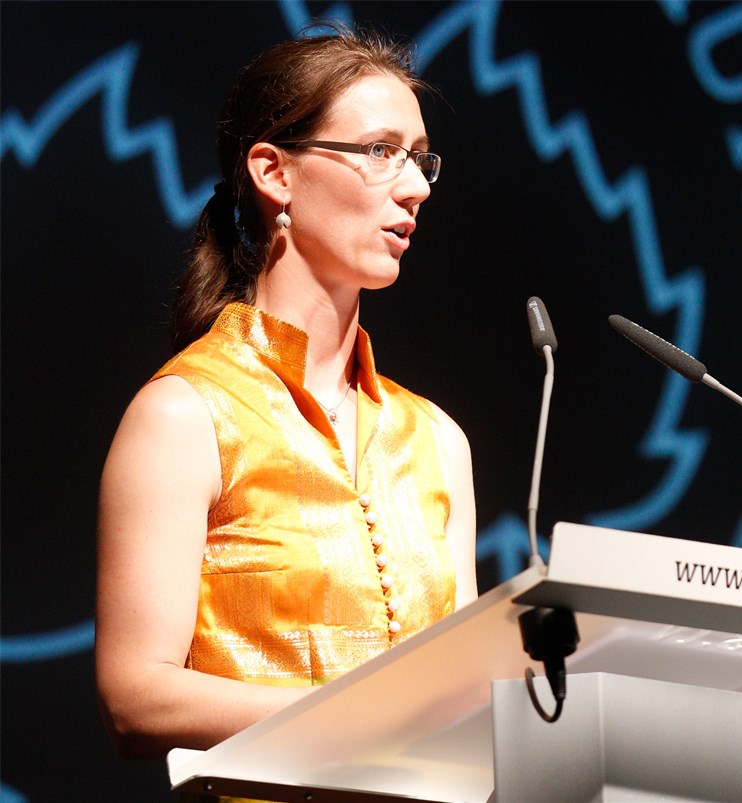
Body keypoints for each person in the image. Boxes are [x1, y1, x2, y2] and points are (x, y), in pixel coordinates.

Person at [94, 24, 478, 765]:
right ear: (275, 173)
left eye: (421, 157)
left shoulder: (436, 438)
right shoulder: (187, 414)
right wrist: (366, 716)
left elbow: (458, 693)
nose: (417, 184)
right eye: (380, 152)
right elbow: (134, 694)